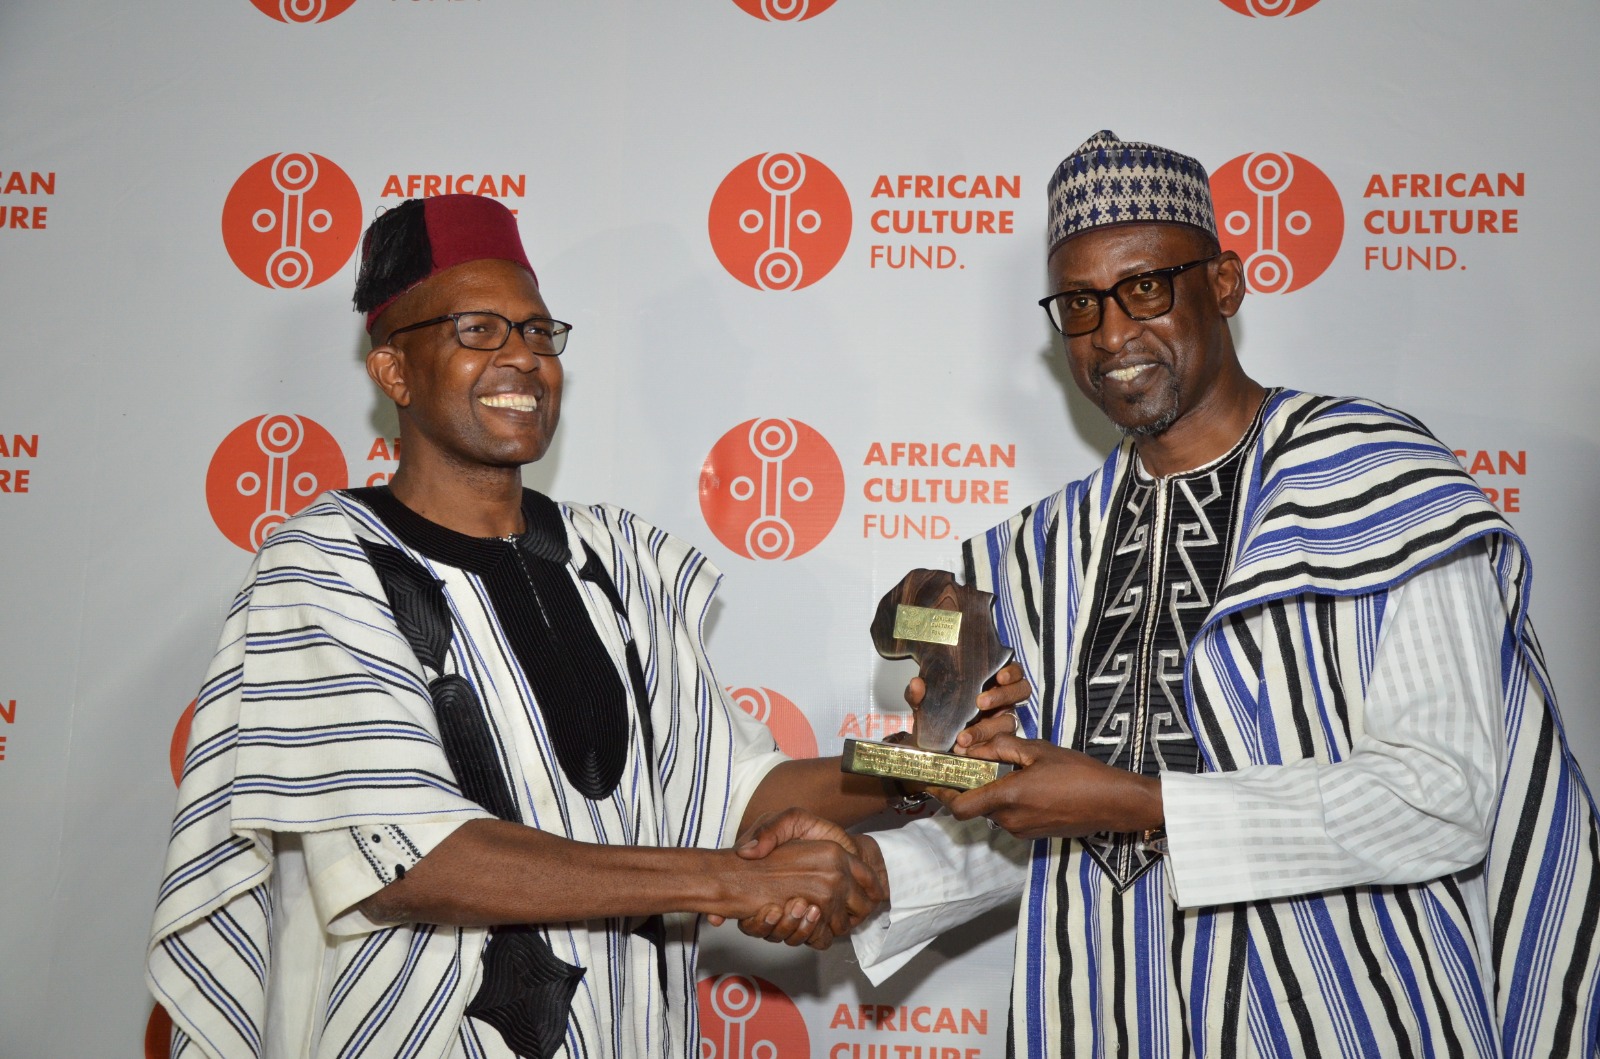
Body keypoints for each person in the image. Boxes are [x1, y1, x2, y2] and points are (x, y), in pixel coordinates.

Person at [740, 131, 1600, 1056]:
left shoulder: (1378, 480)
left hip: (1350, 1020)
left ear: (1224, 284)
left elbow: (1445, 797)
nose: (1112, 334)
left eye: (1145, 287)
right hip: (1104, 1019)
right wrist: (875, 872)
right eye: (1079, 304)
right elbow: (1053, 824)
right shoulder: (1039, 553)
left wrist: (1144, 802)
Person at [146, 194, 1026, 1059]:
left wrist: (932, 763)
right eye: (477, 330)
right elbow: (410, 858)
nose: (522, 357)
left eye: (537, 331)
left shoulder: (615, 561)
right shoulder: (325, 562)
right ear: (394, 371)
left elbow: (734, 796)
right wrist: (733, 880)